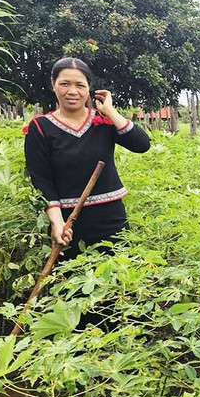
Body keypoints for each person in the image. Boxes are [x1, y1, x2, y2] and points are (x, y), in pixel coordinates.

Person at [24, 57, 151, 260]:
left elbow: (142, 145)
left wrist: (110, 111)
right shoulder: (41, 127)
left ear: (89, 88)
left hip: (112, 219)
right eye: (65, 84)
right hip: (69, 224)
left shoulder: (103, 121)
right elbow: (41, 180)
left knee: (119, 283)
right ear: (53, 85)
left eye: (80, 85)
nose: (72, 91)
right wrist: (57, 223)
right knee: (74, 286)